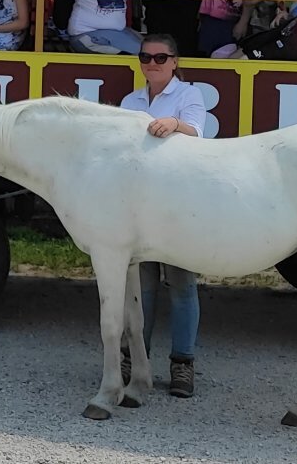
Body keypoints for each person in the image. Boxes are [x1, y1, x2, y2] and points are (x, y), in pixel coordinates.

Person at [117, 34, 209, 399]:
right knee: (142, 289)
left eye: (160, 57)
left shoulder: (189, 95)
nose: (152, 63)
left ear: (174, 62)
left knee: (182, 286)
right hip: (139, 205)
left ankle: (182, 364)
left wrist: (174, 123)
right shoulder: (131, 101)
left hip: (177, 204)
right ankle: (134, 360)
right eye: (145, 57)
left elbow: (197, 131)